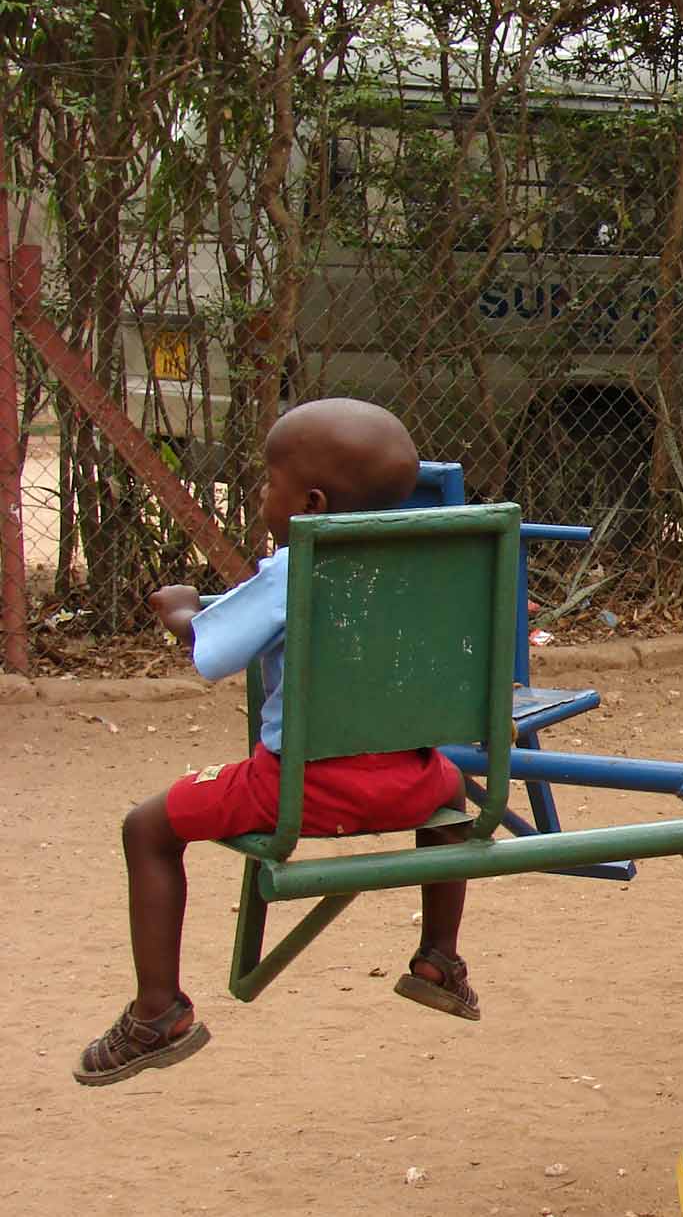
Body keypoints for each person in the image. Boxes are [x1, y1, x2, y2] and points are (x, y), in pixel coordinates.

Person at [75, 400, 477, 1086]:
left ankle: (156, 1012)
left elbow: (211, 650)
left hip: (303, 791)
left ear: (312, 500)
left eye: (269, 481)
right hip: (417, 782)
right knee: (456, 798)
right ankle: (440, 957)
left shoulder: (294, 570)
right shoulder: (431, 564)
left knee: (146, 828)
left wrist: (180, 609)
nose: (263, 493)